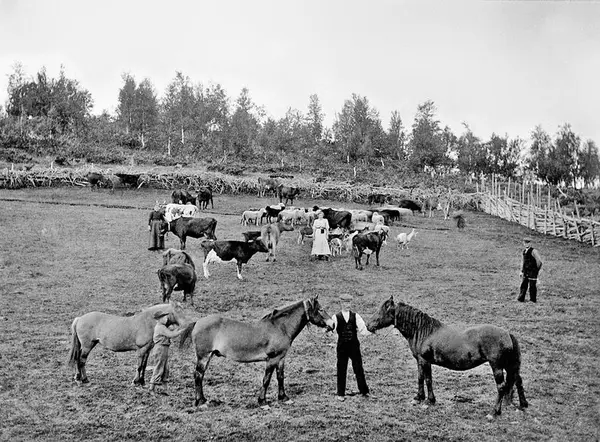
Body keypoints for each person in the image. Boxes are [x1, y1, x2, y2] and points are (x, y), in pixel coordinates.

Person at [330, 293, 372, 401]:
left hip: (354, 346)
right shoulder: (336, 317)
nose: (347, 304)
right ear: (341, 303)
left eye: (348, 302)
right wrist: (326, 330)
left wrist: (372, 331)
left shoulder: (356, 316)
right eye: (344, 302)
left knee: (358, 368)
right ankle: (340, 393)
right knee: (341, 369)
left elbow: (363, 329)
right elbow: (331, 330)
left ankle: (364, 391)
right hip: (342, 347)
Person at [149, 311, 184, 393]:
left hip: (164, 347)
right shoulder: (161, 327)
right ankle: (152, 387)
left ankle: (165, 388)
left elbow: (171, 332)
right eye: (164, 317)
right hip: (160, 348)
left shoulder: (162, 326)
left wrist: (177, 329)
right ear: (159, 319)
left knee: (165, 368)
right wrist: (181, 331)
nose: (166, 319)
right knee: (159, 367)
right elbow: (171, 335)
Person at [518, 237, 543, 303]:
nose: (526, 244)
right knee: (523, 285)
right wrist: (521, 271)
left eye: (528, 242)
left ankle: (533, 300)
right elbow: (522, 262)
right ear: (523, 243)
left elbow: (539, 262)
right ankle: (521, 299)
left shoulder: (534, 251)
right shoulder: (524, 251)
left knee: (532, 286)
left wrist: (536, 269)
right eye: (525, 242)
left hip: (532, 271)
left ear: (531, 243)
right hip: (526, 271)